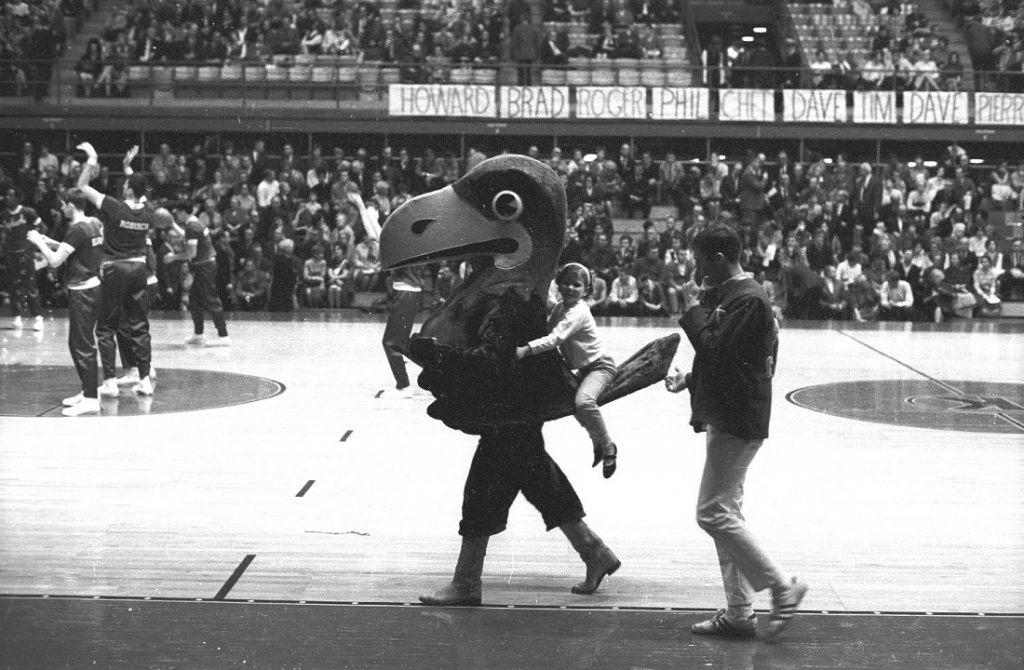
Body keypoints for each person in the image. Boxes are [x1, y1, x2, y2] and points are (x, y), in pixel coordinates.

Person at [665, 224, 808, 643]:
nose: (694, 268)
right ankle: (740, 612)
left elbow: (716, 350)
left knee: (712, 513)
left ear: (717, 260)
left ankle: (782, 588)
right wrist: (691, 380)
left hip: (737, 418)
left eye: (698, 260)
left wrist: (693, 308)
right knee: (726, 514)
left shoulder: (748, 300)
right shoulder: (740, 296)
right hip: (730, 412)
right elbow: (729, 362)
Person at [76, 142, 168, 397]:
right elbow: (146, 188)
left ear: (127, 189)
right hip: (139, 270)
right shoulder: (147, 210)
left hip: (116, 269)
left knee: (106, 327)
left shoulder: (115, 206)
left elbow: (82, 186)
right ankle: (145, 380)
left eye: (126, 183)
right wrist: (129, 169)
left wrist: (92, 159)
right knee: (139, 325)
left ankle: (109, 382)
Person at [515, 263, 618, 478]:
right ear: (559, 285)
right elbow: (548, 328)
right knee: (572, 405)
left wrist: (525, 350)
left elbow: (556, 338)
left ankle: (608, 445)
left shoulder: (579, 312)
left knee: (584, 402)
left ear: (585, 291)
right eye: (566, 283)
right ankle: (596, 440)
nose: (570, 288)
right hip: (583, 369)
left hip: (600, 366)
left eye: (577, 285)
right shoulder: (561, 308)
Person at [25, 189, 103, 416]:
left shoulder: (77, 229)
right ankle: (87, 390)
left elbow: (56, 261)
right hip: (91, 287)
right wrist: (51, 240)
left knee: (82, 345)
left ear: (70, 205)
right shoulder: (92, 224)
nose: (61, 209)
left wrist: (40, 242)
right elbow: (76, 246)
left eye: (63, 205)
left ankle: (91, 399)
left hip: (83, 292)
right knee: (77, 343)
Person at [164, 204, 232, 346]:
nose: (177, 215)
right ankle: (198, 334)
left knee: (211, 299)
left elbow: (191, 253)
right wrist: (173, 224)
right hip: (205, 265)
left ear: (183, 212)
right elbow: (187, 236)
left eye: (178, 212)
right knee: (194, 300)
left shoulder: (192, 227)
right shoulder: (195, 223)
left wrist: (173, 257)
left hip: (204, 266)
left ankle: (224, 336)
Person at [2, 188, 45, 330]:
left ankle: (38, 318)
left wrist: (35, 247)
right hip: (10, 255)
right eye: (5, 196)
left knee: (30, 285)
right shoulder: (3, 215)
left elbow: (42, 227)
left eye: (10, 195)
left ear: (16, 197)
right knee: (13, 287)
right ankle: (17, 317)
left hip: (25, 254)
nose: (7, 198)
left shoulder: (27, 212)